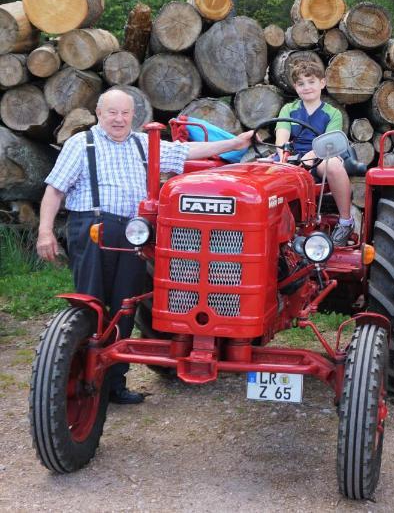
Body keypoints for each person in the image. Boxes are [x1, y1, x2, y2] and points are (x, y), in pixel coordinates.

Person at [37, 88, 253, 405]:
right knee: (92, 306)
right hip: (96, 229)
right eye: (113, 112)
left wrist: (234, 144)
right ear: (99, 113)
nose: (120, 119)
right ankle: (83, 382)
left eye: (125, 113)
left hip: (135, 233)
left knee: (126, 305)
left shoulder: (142, 144)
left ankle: (113, 386)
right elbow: (55, 190)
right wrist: (45, 232)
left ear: (133, 116)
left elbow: (186, 153)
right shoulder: (81, 145)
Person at [275, 60, 354, 246]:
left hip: (323, 153)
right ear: (295, 87)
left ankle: (345, 222)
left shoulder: (333, 113)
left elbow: (327, 143)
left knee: (333, 165)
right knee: (261, 168)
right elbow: (282, 138)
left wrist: (308, 159)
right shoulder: (289, 109)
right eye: (301, 84)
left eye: (311, 82)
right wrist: (283, 158)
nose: (307, 87)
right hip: (291, 155)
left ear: (322, 83)